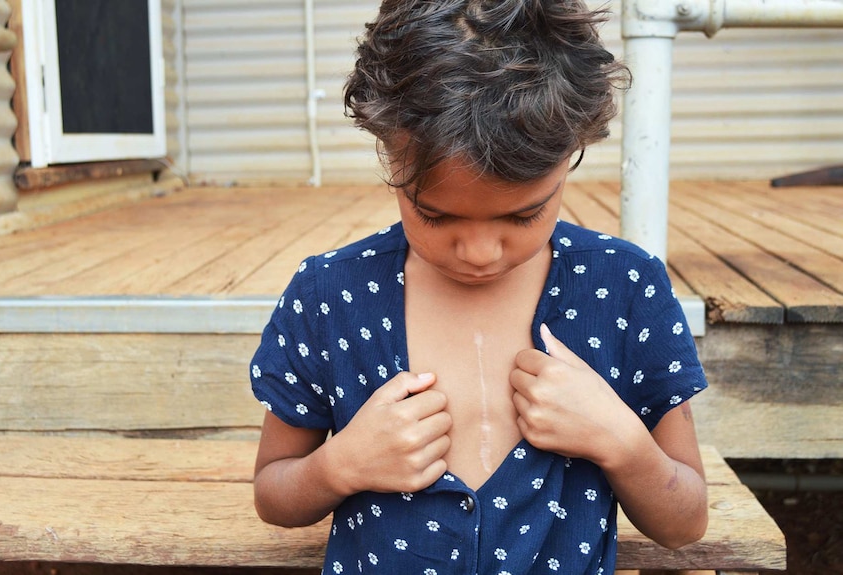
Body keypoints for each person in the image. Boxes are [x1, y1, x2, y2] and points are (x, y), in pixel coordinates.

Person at [249, 1, 709, 573]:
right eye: (436, 217)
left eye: (522, 216)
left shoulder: (625, 288)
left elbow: (686, 520)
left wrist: (621, 440)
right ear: (388, 148)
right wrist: (337, 466)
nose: (479, 253)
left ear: (571, 154)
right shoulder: (329, 295)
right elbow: (273, 492)